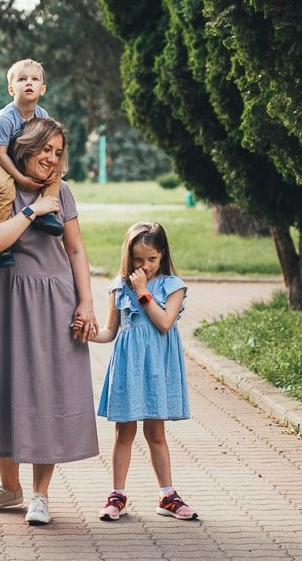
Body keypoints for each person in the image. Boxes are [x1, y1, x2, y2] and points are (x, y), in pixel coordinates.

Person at [0, 117, 99, 525]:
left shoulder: (62, 192)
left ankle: (40, 494)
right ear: (25, 147)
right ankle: (10, 488)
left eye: (58, 152)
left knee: (48, 391)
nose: (52, 158)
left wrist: (87, 303)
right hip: (8, 299)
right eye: (46, 149)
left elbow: (76, 250)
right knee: (4, 387)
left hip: (54, 300)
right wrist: (33, 212)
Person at [76, 222, 198, 522]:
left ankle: (166, 494)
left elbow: (165, 322)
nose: (144, 266)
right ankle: (117, 495)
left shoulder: (172, 286)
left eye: (151, 259)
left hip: (157, 366)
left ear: (162, 254)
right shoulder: (118, 287)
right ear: (128, 256)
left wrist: (143, 292)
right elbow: (109, 331)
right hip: (128, 366)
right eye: (137, 260)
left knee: (155, 432)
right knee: (124, 432)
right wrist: (87, 333)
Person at [0, 59, 63, 268]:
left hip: (22, 157)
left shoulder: (41, 115)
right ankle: (4, 242)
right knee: (5, 187)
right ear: (11, 89)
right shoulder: (6, 118)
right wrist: (21, 178)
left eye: (34, 80)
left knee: (56, 172)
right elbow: (1, 154)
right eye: (22, 79)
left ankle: (47, 213)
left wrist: (45, 169)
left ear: (42, 89)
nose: (29, 83)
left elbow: (46, 144)